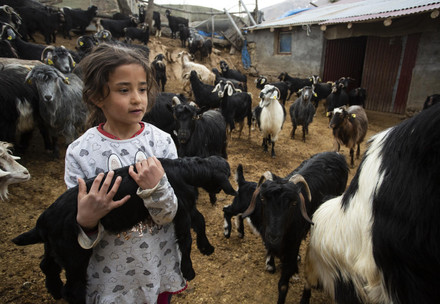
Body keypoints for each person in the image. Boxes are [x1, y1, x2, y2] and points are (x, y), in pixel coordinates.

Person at [64, 43, 186, 304]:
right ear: (98, 97)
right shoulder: (81, 153)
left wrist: (158, 189)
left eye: (142, 89)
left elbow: (170, 215)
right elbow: (74, 232)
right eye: (124, 90)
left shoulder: (162, 143)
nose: (137, 98)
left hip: (155, 267)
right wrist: (85, 220)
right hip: (110, 279)